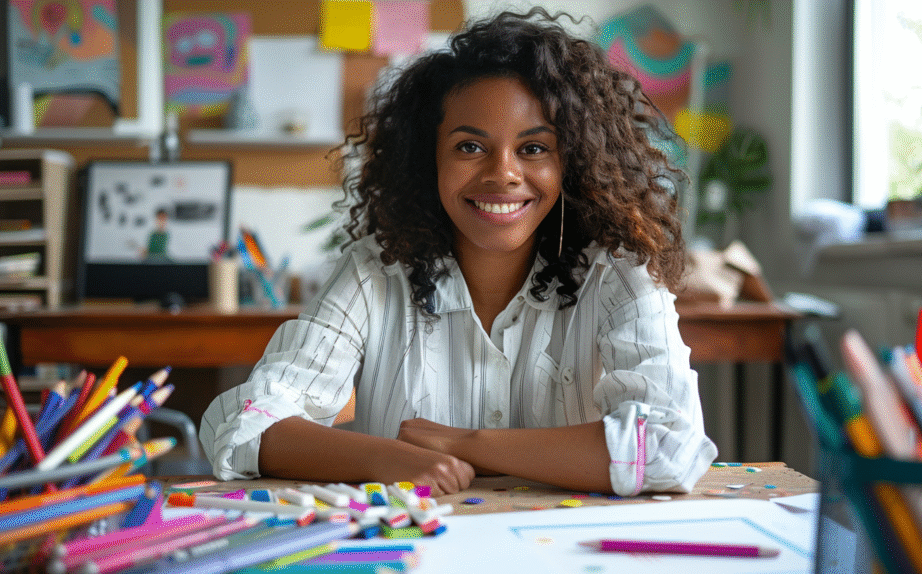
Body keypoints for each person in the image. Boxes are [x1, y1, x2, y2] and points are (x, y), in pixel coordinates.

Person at [199, 8, 717, 496]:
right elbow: (241, 422)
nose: (503, 173)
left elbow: (672, 445)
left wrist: (469, 445)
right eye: (470, 147)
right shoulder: (374, 272)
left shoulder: (617, 273)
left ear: (573, 162)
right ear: (431, 159)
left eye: (534, 148)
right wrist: (385, 459)